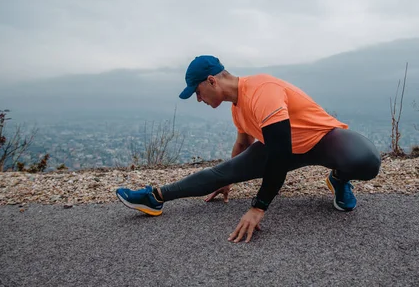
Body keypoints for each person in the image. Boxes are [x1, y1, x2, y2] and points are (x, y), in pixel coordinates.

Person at [116, 55, 381, 243]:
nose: (198, 99)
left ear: (211, 81)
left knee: (366, 161)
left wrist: (258, 207)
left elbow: (279, 155)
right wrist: (228, 180)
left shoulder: (262, 90)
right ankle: (155, 198)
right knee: (220, 172)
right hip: (282, 147)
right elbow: (244, 144)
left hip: (323, 140)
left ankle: (339, 179)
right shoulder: (238, 108)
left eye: (197, 92)